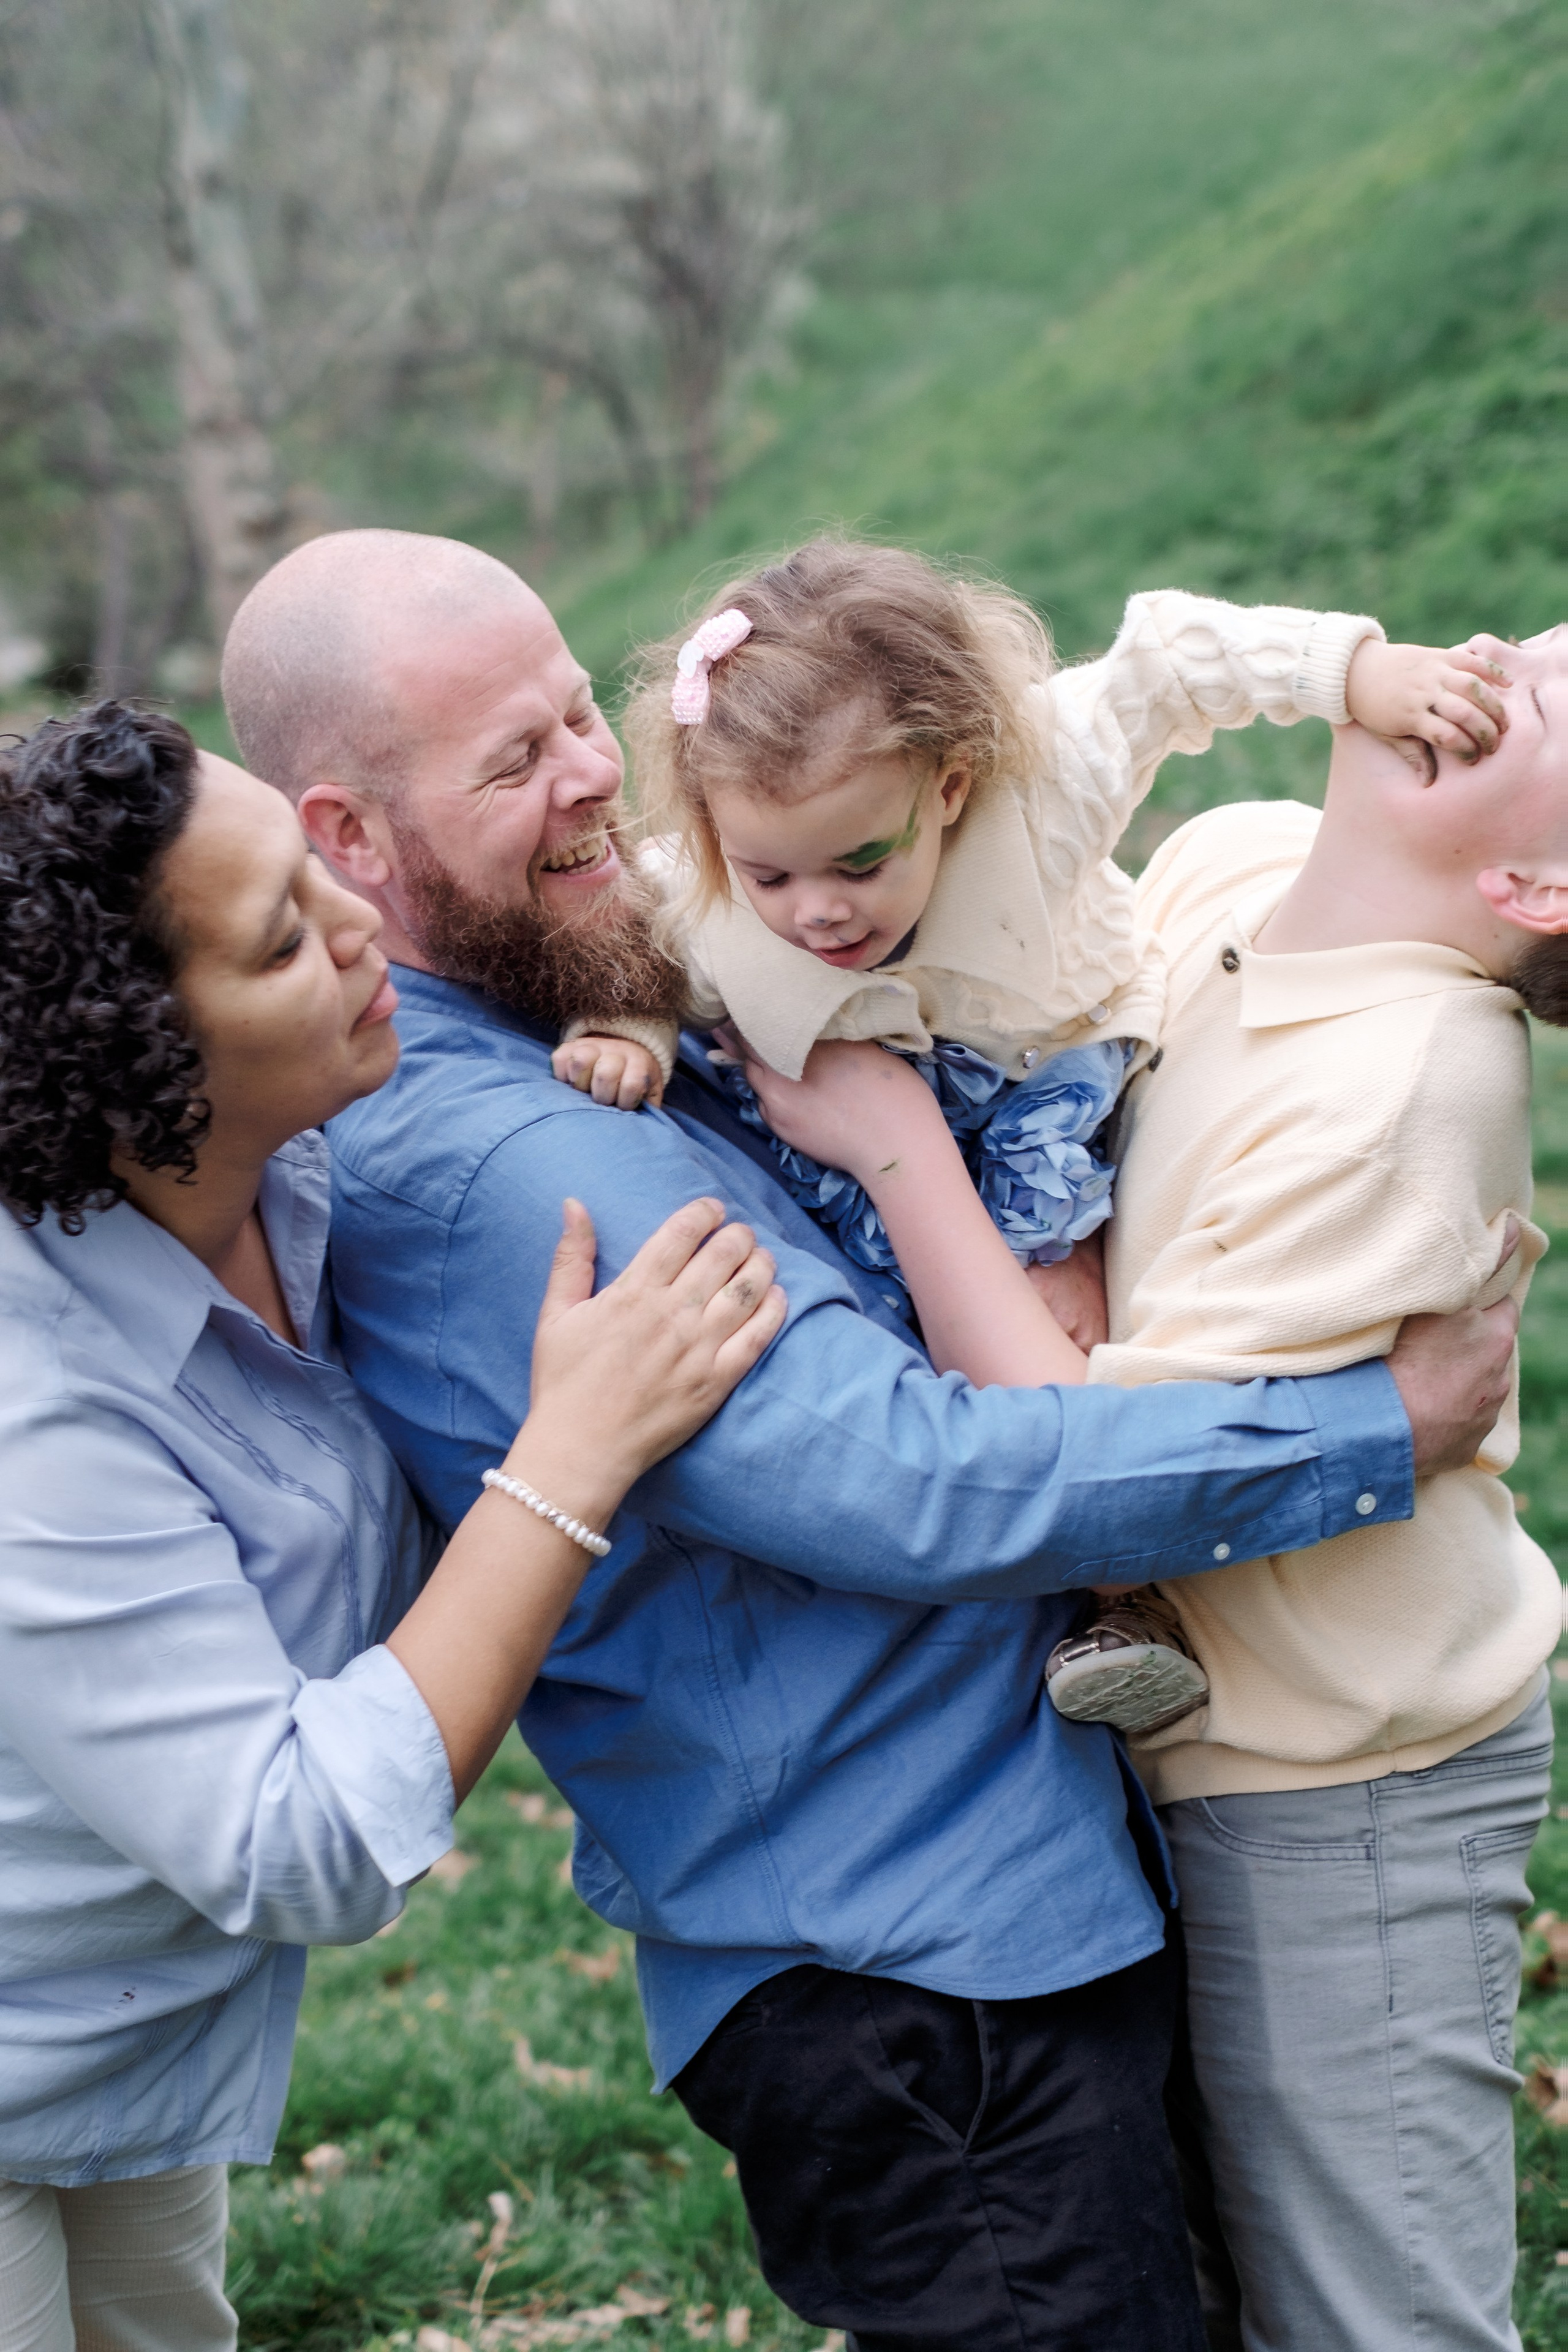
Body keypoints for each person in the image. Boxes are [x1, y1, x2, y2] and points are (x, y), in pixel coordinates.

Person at [221, 527, 1518, 2352]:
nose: (595, 776)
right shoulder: (513, 1167)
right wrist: (1368, 1426)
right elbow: (904, 1477)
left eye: (580, 712)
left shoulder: (567, 1021)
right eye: (513, 764)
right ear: (350, 836)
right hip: (913, 1990)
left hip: (989, 1934)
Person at [736, 627, 1568, 2352]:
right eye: (1538, 645)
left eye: (1558, 701)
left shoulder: (1405, 1084)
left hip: (1346, 1782)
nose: (1506, 660)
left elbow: (1089, 1468)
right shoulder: (1234, 859)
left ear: (1538, 886)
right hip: (1191, 1742)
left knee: (1370, 2315)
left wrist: (892, 1147)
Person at [0, 703, 783, 2352]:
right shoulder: (32, 1406)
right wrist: (573, 1453)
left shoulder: (286, 1171)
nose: (365, 930)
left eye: (310, 862)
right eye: (287, 937)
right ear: (135, 1074)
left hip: (114, 2034)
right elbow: (291, 1836)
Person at [556, 537, 1513, 1729]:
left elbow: (1167, 663)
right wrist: (626, 1031)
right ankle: (1031, 1602)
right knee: (918, 1348)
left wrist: (1350, 674)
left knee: (1065, 1319)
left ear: (949, 785)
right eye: (773, 876)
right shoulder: (703, 886)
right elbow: (631, 936)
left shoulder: (1041, 792)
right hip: (849, 1118)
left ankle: (1124, 1601)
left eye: (861, 859)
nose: (819, 910)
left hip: (1039, 1077)